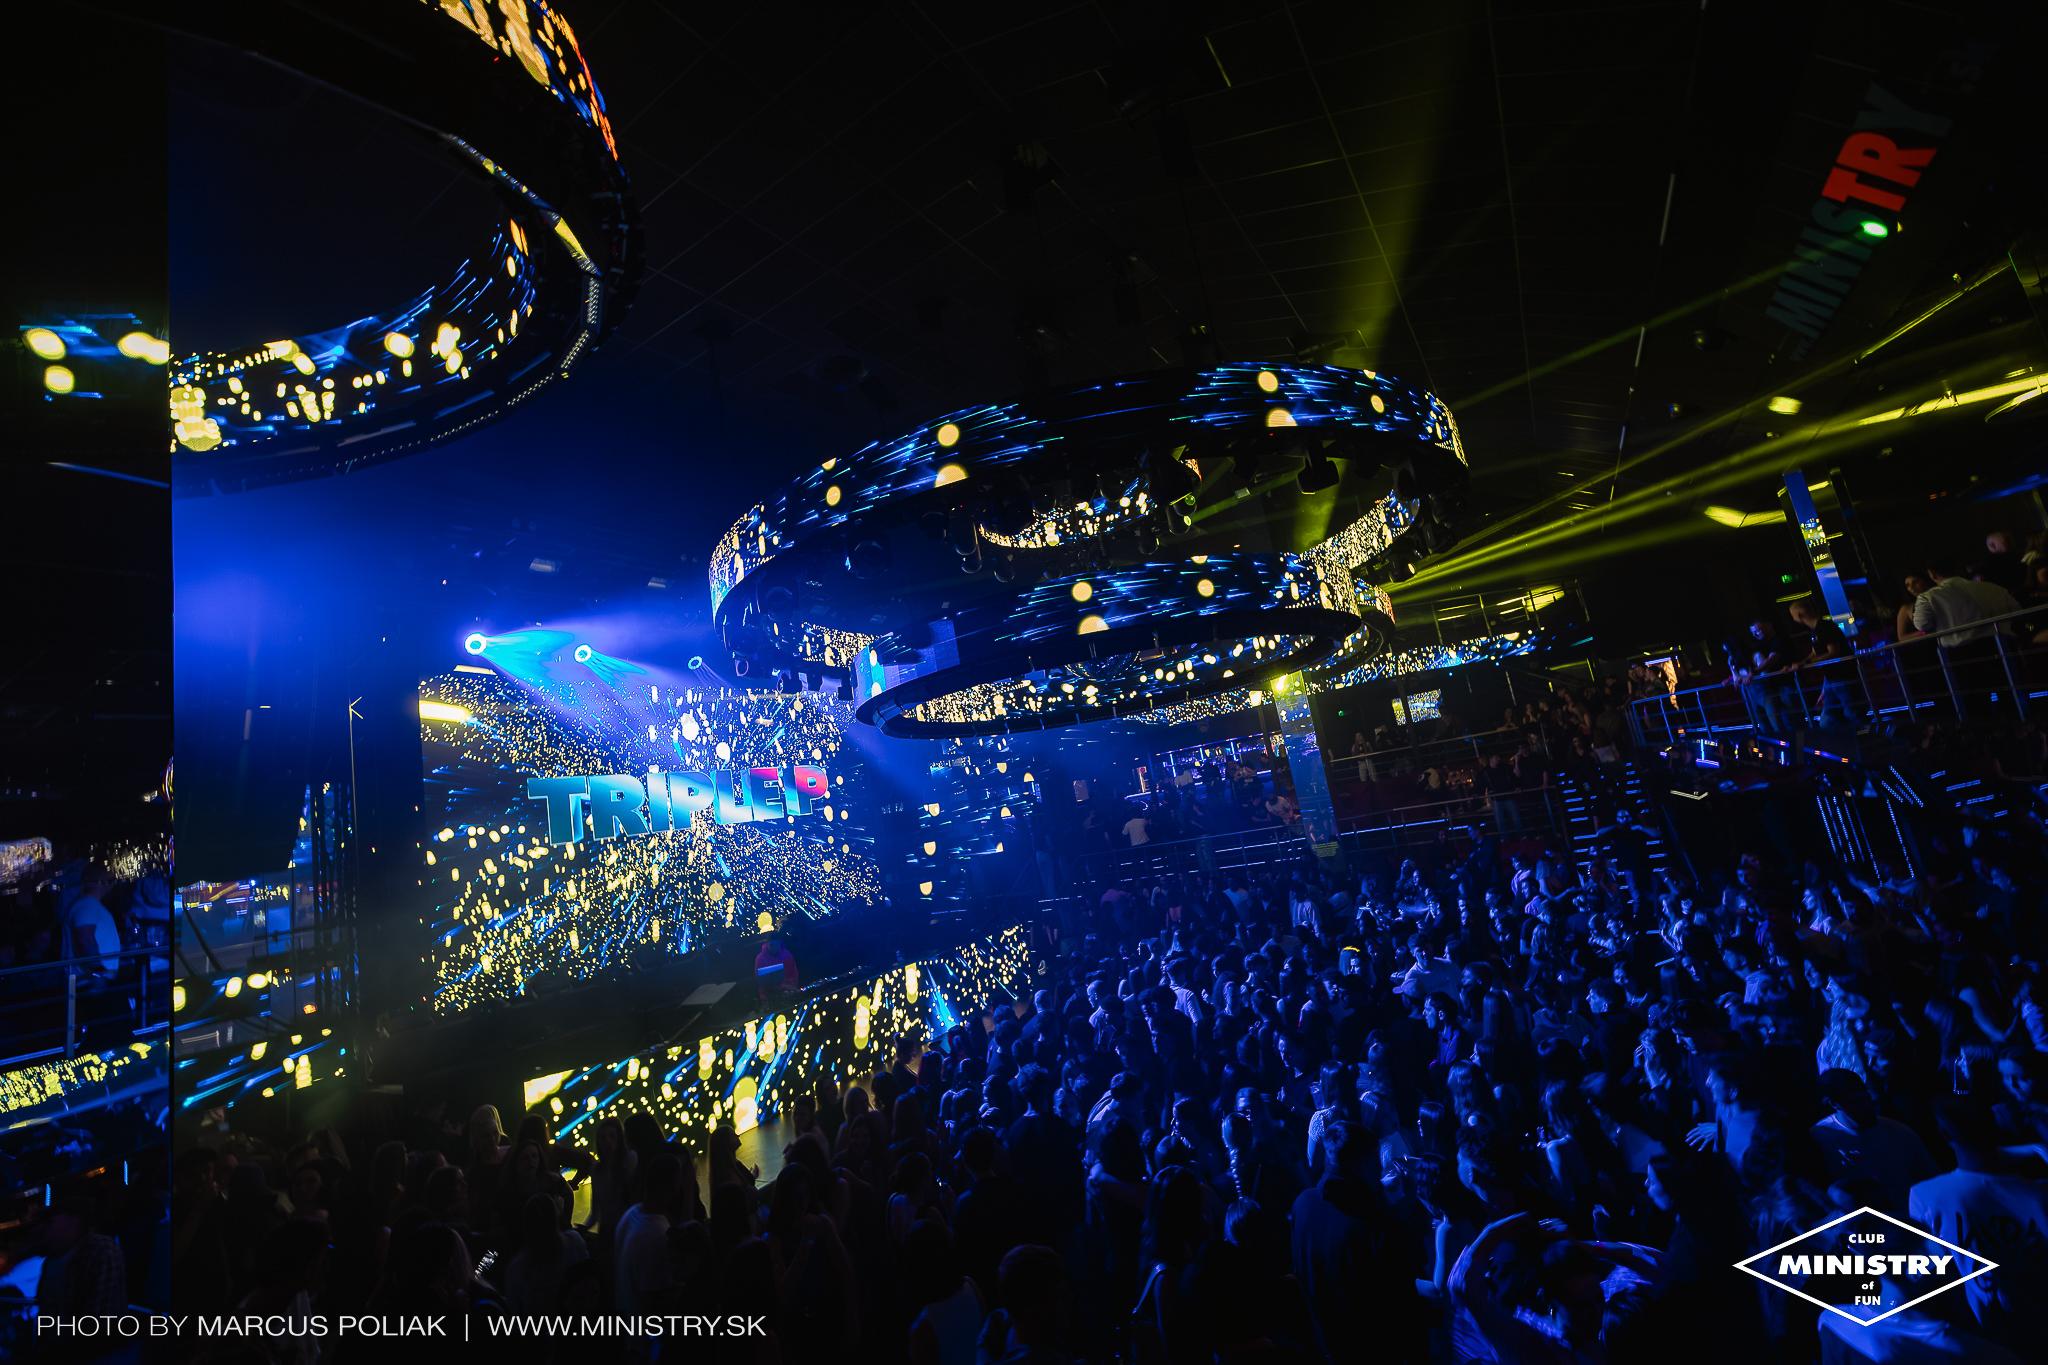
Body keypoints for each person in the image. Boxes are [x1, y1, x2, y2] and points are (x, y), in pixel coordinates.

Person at [60, 863, 121, 977]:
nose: (112, 886)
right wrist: (98, 970)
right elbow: (85, 939)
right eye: (111, 881)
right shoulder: (87, 906)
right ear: (101, 882)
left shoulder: (88, 905)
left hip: (94, 977)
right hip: (92, 979)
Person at [756, 932, 799, 1002]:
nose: (774, 948)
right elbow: (760, 982)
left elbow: (794, 975)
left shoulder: (787, 955)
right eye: (771, 945)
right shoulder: (760, 958)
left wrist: (790, 987)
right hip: (768, 993)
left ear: (780, 943)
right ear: (767, 944)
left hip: (788, 989)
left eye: (776, 945)